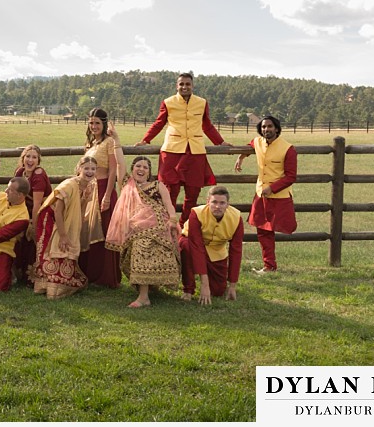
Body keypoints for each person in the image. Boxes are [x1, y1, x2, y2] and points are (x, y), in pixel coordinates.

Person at [140, 72, 230, 224]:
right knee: (170, 190)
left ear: (192, 86)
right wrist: (145, 140)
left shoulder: (201, 102)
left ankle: (185, 226)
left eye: (187, 84)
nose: (184, 87)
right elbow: (159, 123)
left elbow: (207, 125)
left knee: (193, 191)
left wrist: (220, 142)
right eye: (181, 84)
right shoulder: (168, 102)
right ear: (177, 86)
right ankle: (168, 223)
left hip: (195, 151)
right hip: (172, 150)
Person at [106, 156, 181, 308]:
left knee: (148, 246)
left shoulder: (157, 185)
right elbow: (120, 162)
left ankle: (145, 294)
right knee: (141, 245)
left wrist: (172, 220)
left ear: (149, 172)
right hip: (136, 228)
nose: (141, 169)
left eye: (145, 167)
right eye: (138, 166)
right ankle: (145, 294)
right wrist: (116, 140)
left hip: (159, 226)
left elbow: (169, 205)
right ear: (132, 169)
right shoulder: (127, 184)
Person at [234, 115, 297, 273]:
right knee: (262, 231)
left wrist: (272, 188)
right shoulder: (258, 142)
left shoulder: (288, 148)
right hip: (260, 194)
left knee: (278, 229)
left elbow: (291, 176)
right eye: (263, 127)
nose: (266, 130)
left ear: (276, 128)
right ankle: (269, 266)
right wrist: (241, 156)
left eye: (269, 126)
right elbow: (250, 145)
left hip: (279, 196)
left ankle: (270, 265)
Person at [32, 157, 98, 299]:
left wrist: (85, 198)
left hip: (66, 219)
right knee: (57, 247)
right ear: (79, 169)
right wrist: (62, 234)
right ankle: (47, 284)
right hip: (51, 219)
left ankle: (58, 282)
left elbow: (79, 213)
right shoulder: (69, 185)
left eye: (93, 169)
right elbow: (57, 211)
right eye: (86, 168)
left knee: (67, 246)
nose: (90, 171)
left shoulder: (89, 186)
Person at [78, 108, 124, 288]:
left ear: (104, 124)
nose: (94, 126)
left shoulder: (109, 142)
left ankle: (105, 277)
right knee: (88, 230)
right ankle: (89, 273)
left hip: (104, 188)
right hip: (89, 191)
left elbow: (113, 169)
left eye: (97, 123)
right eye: (91, 123)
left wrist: (106, 196)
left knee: (104, 232)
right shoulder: (90, 144)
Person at [179, 186, 243, 305]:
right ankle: (188, 288)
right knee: (186, 246)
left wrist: (233, 285)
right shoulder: (196, 213)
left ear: (228, 204)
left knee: (218, 291)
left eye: (222, 203)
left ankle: (214, 281)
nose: (218, 206)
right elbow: (196, 246)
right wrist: (204, 283)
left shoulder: (236, 218)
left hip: (216, 249)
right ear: (208, 201)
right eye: (214, 202)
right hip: (193, 244)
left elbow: (236, 251)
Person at [13, 144, 52, 285]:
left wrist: (34, 227)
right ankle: (18, 273)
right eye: (27, 156)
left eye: (34, 157)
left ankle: (33, 278)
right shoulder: (19, 172)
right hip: (23, 212)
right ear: (23, 158)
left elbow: (37, 205)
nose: (30, 160)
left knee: (31, 239)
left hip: (41, 213)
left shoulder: (38, 175)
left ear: (38, 160)